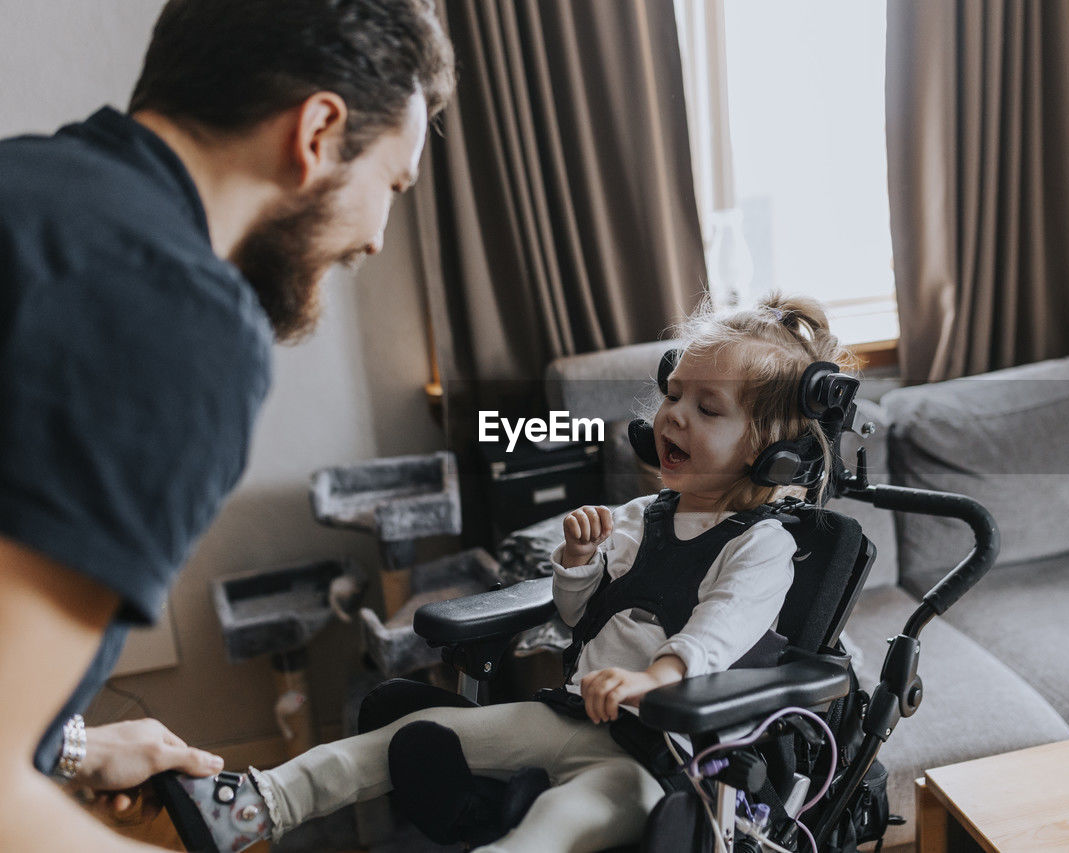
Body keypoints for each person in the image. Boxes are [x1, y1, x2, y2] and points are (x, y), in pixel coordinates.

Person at [156, 294, 856, 852]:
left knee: (549, 826)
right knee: (407, 732)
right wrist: (577, 564)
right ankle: (253, 805)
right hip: (570, 714)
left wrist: (651, 680)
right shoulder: (645, 513)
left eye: (707, 408)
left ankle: (507, 806)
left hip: (657, 762)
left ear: (772, 453)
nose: (674, 416)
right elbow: (583, 617)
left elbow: (717, 632)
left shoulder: (762, 546)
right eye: (674, 395)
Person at [0, 1, 454, 849]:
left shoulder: (27, 190)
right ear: (318, 131)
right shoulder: (176, 313)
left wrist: (67, 746)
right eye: (392, 185)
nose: (379, 239)